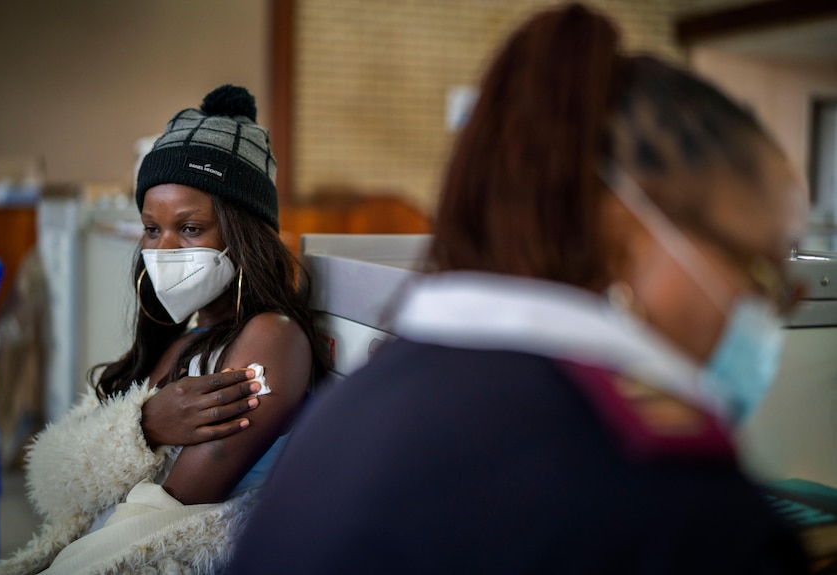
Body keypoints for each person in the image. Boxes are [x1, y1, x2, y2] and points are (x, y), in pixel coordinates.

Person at [228, 4, 813, 574]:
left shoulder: (362, 402)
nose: (768, 307)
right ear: (633, 228)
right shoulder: (683, 504)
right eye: (760, 269)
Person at [0, 84, 325, 574]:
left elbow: (157, 525)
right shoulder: (182, 336)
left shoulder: (272, 335)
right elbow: (60, 482)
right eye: (150, 228)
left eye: (189, 228)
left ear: (243, 234)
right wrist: (143, 427)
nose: (161, 251)